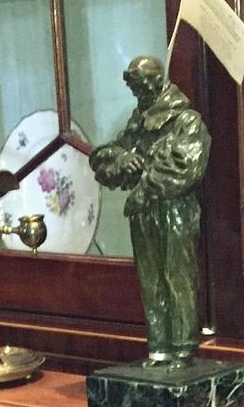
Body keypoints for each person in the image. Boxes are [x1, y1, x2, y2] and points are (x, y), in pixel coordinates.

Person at [90, 56, 210, 369]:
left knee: (177, 276)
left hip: (175, 210)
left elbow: (186, 168)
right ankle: (159, 347)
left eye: (140, 84)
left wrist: (144, 187)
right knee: (151, 279)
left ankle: (184, 348)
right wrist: (122, 161)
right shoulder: (138, 122)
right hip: (145, 214)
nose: (136, 92)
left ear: (156, 81)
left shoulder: (187, 121)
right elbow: (108, 154)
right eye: (132, 86)